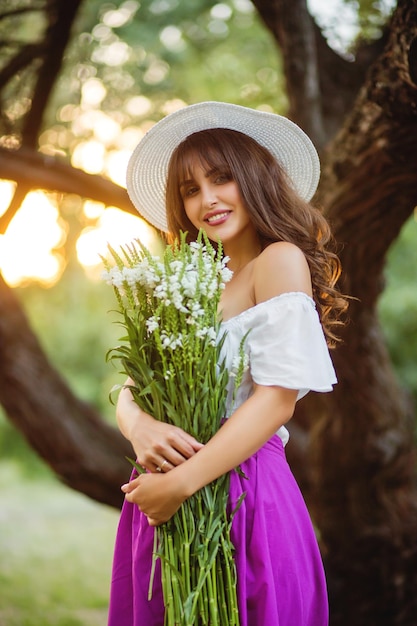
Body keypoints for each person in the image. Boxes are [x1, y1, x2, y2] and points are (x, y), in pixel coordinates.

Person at [107, 101, 348, 626]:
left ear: (255, 178)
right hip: (163, 491)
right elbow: (130, 385)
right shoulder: (189, 282)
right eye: (190, 189)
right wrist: (140, 427)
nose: (207, 200)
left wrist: (181, 483)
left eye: (221, 178)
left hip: (243, 488)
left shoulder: (277, 260)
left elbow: (276, 400)